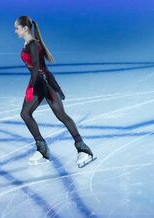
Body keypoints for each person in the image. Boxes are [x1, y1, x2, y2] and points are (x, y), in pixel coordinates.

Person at [14, 16, 94, 167]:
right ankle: (42, 149)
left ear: (25, 28)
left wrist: (30, 87)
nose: (15, 31)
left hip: (45, 83)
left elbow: (37, 67)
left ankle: (83, 149)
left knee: (61, 116)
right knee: (25, 114)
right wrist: (32, 85)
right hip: (38, 82)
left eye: (17, 28)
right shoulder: (30, 43)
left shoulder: (32, 44)